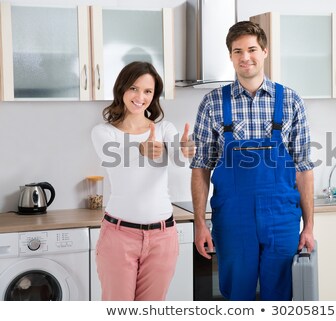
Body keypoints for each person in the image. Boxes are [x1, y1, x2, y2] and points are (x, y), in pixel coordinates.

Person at [190, 21, 315, 301]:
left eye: (251, 49)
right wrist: (200, 223)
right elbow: (200, 168)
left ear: (265, 51)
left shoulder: (291, 101)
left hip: (281, 218)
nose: (245, 57)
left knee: (280, 297)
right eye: (238, 51)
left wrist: (308, 226)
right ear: (231, 56)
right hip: (233, 219)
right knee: (238, 296)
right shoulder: (212, 103)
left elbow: (304, 169)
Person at [91, 61, 194, 301]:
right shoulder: (103, 132)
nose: (140, 97)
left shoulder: (164, 129)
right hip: (119, 235)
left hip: (163, 236)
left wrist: (187, 149)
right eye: (134, 88)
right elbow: (115, 157)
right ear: (122, 89)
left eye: (148, 91)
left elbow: (179, 157)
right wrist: (141, 149)